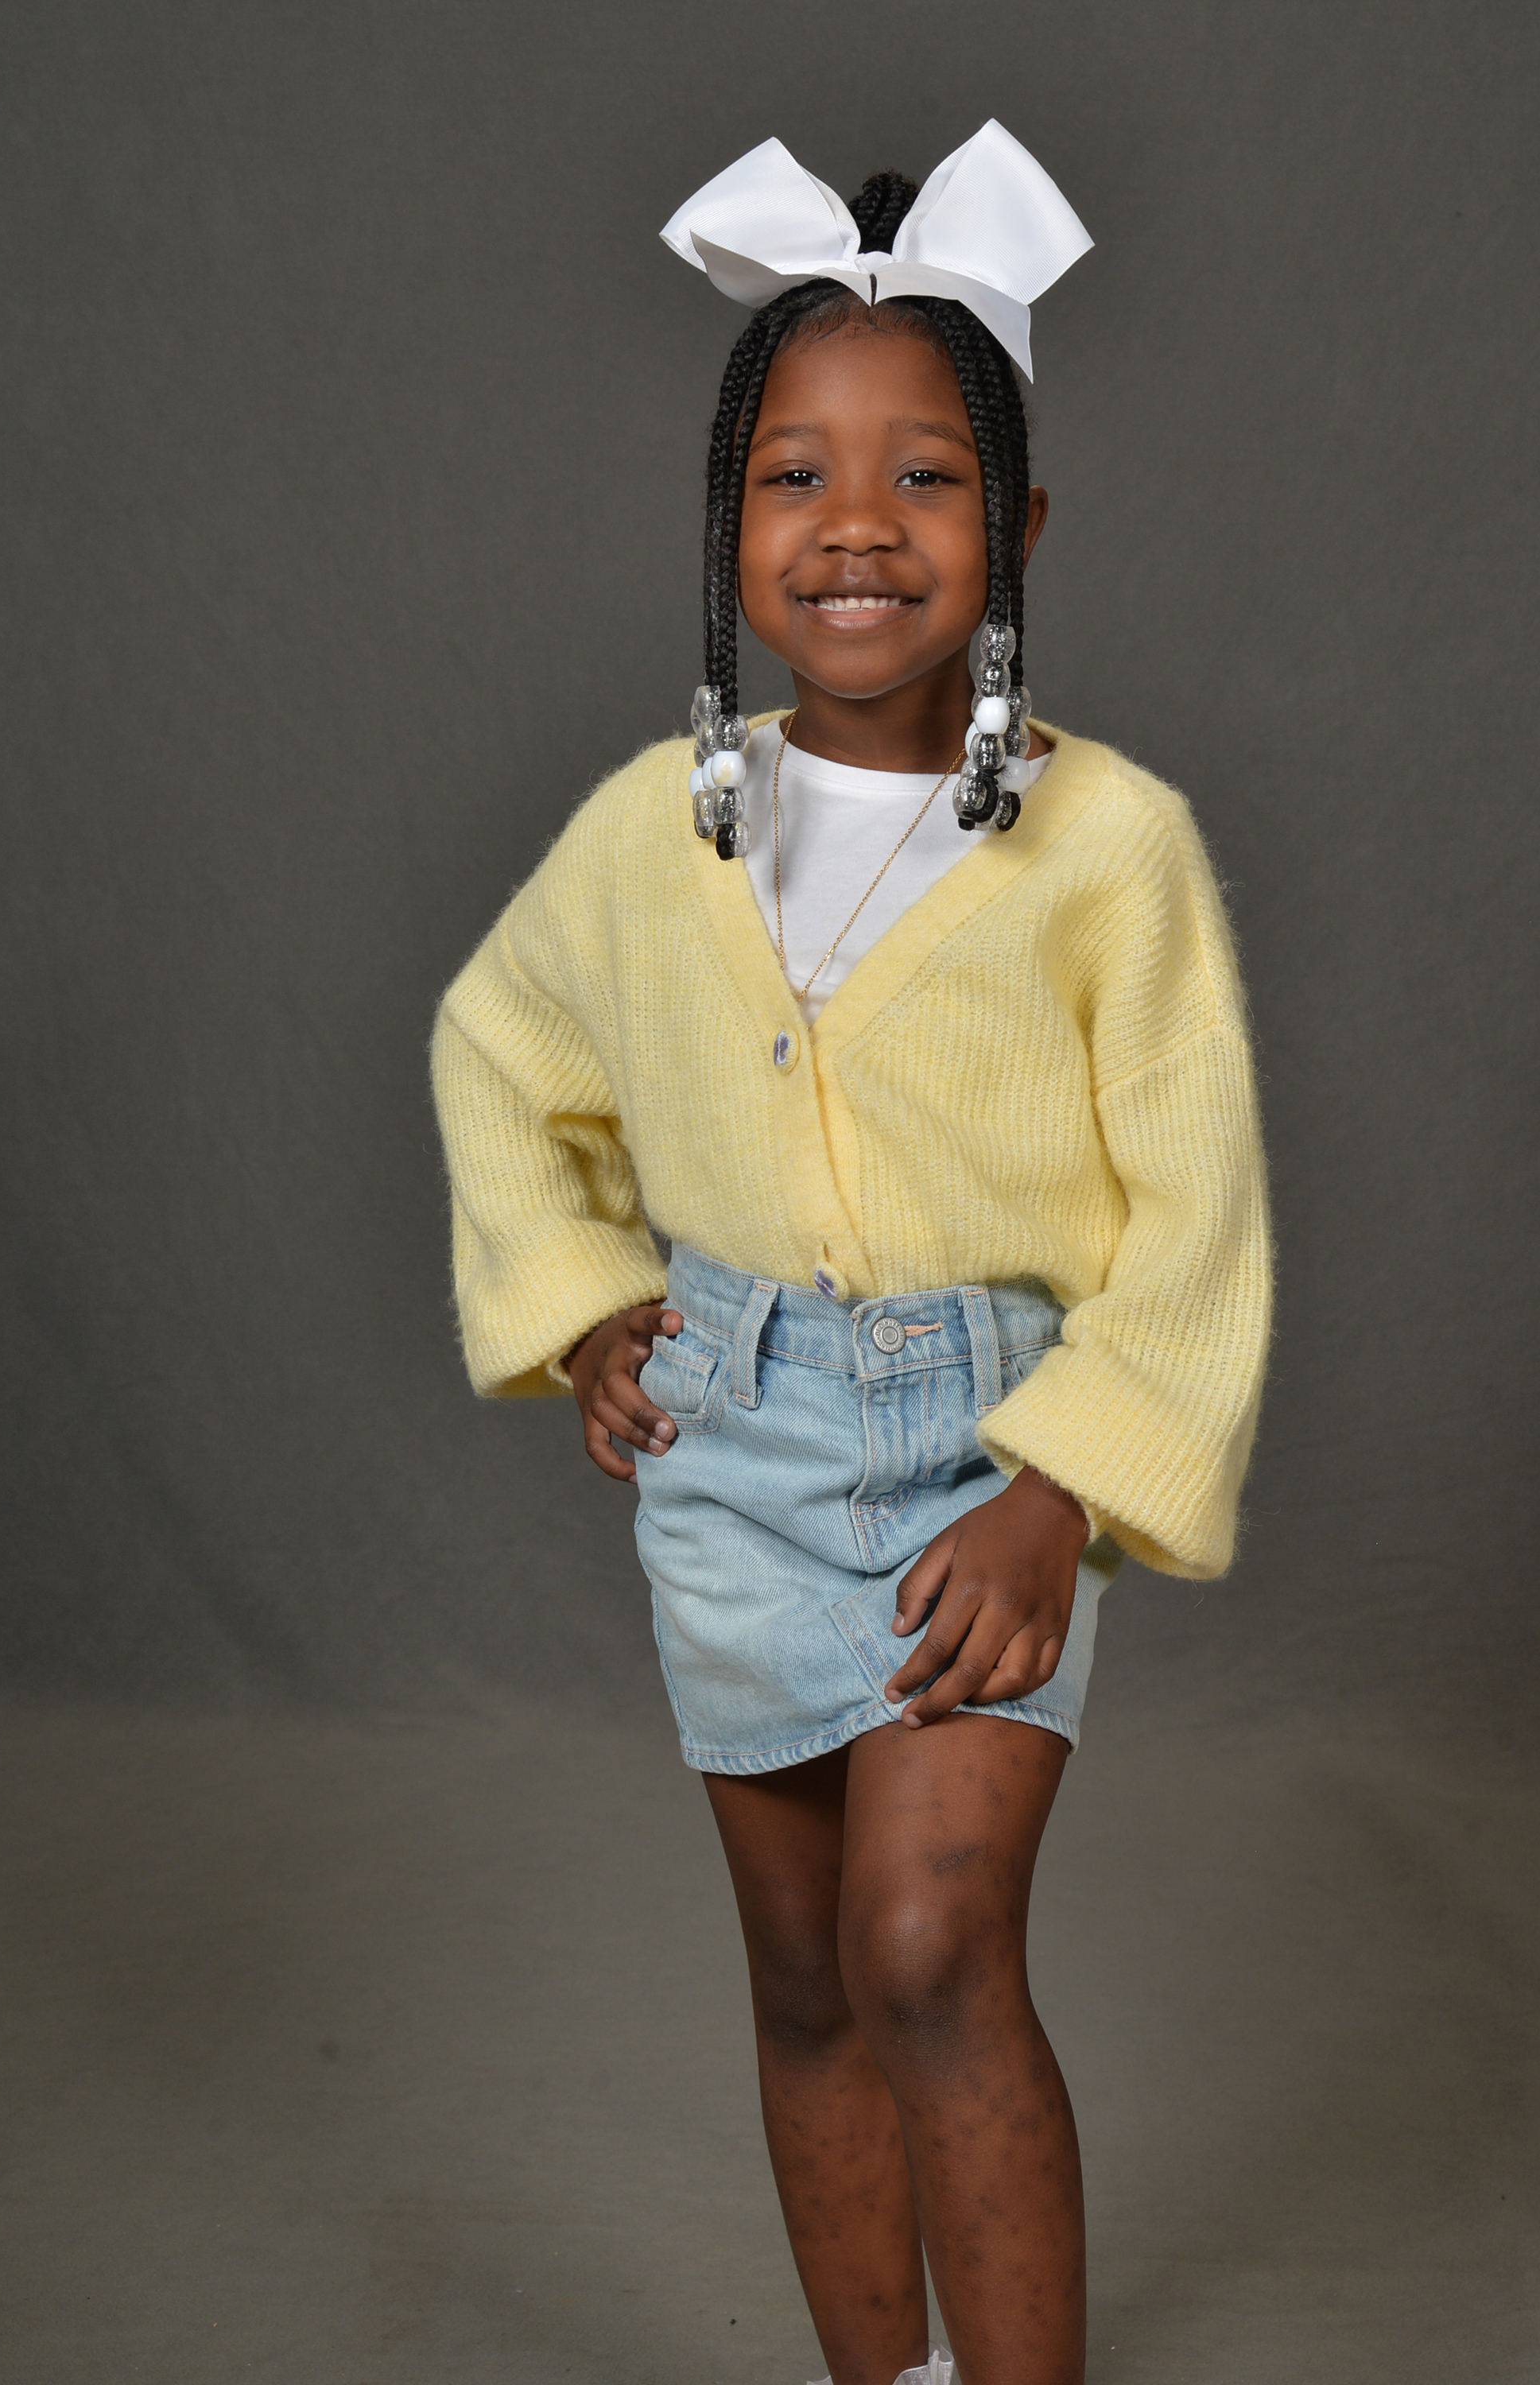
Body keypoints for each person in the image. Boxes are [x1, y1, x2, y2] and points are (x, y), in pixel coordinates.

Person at [432, 122, 1272, 2385]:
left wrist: (1065, 1486)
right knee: (809, 1983)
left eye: (927, 476)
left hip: (991, 1448)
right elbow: (504, 1052)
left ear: (1021, 530)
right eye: (795, 477)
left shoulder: (1113, 850)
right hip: (733, 1450)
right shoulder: (658, 831)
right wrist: (585, 1303)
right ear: (728, 529)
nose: (859, 525)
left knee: (928, 1950)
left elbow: (1197, 1212)